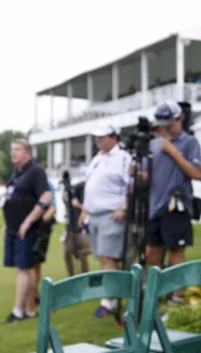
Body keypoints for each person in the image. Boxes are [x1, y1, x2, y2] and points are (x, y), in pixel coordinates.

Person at [145, 101, 200, 301]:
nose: (165, 127)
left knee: (176, 253)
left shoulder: (190, 142)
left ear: (180, 119)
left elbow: (196, 173)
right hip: (154, 206)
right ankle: (156, 296)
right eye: (162, 123)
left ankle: (177, 298)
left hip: (176, 205)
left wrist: (174, 153)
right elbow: (147, 175)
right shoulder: (154, 143)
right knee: (152, 253)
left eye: (169, 123)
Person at [79, 124, 132, 318]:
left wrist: (124, 208)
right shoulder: (98, 158)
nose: (98, 140)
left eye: (102, 137)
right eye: (96, 137)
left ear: (114, 137)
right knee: (103, 258)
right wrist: (84, 210)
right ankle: (111, 299)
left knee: (109, 259)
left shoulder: (124, 158)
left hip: (111, 214)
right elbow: (91, 188)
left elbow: (131, 186)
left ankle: (111, 301)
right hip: (95, 216)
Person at [1, 139, 53, 323]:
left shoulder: (35, 171)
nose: (13, 153)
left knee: (24, 269)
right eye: (12, 149)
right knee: (25, 269)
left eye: (17, 149)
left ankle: (18, 311)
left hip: (27, 229)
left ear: (28, 153)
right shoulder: (17, 173)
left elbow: (46, 196)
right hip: (13, 228)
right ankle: (30, 310)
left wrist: (28, 221)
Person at [32, 179, 57, 305]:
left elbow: (53, 208)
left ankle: (35, 294)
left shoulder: (47, 185)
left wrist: (39, 222)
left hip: (40, 228)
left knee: (35, 262)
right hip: (29, 226)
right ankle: (32, 294)